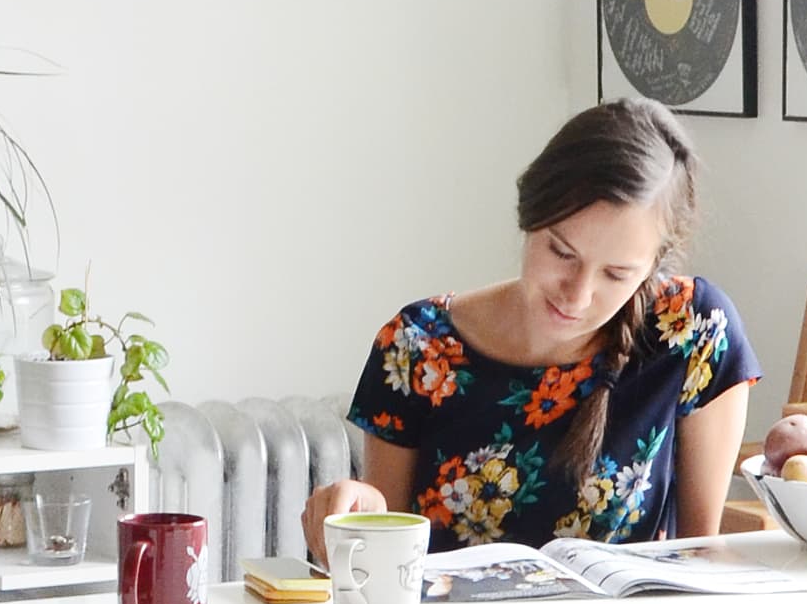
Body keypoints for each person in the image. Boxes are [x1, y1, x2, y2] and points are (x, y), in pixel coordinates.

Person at [301, 98, 760, 558]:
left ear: (652, 268)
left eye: (616, 275)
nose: (577, 295)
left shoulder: (692, 331)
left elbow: (700, 552)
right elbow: (385, 551)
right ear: (530, 214)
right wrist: (356, 518)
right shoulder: (417, 347)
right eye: (561, 252)